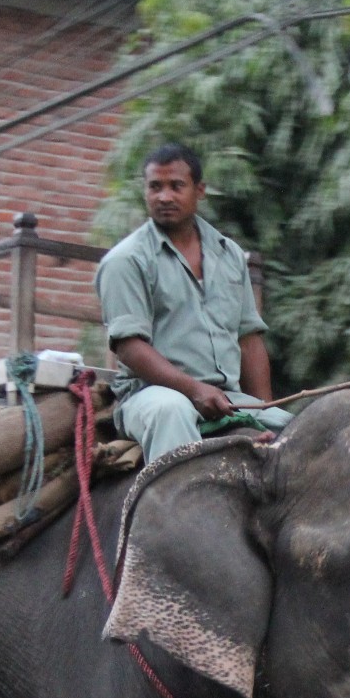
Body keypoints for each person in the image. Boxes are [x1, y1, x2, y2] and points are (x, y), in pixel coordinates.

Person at [93, 143, 284, 461]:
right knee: (172, 412)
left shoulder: (230, 254)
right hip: (152, 395)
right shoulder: (126, 260)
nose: (164, 197)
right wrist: (194, 390)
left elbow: (249, 339)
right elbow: (129, 346)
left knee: (290, 430)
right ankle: (175, 510)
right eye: (155, 187)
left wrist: (262, 409)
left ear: (200, 191)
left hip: (228, 397)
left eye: (176, 186)